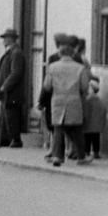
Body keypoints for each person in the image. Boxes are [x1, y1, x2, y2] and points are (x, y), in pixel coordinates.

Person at [38, 39, 89, 167]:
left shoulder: (52, 67)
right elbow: (84, 87)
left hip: (58, 101)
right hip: (74, 101)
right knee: (77, 130)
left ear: (60, 54)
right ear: (73, 54)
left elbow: (47, 86)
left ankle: (57, 156)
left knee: (58, 129)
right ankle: (81, 157)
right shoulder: (80, 68)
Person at [0, 28, 27, 147]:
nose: (4, 40)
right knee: (4, 116)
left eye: (5, 38)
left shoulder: (16, 53)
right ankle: (4, 139)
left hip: (13, 91)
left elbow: (16, 73)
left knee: (12, 116)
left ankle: (15, 139)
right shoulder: (11, 52)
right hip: (7, 91)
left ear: (11, 39)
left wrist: (4, 86)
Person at [83, 75, 105, 161]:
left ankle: (87, 152)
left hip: (88, 124)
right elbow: (103, 111)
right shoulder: (99, 100)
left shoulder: (88, 100)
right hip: (96, 125)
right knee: (96, 139)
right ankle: (96, 152)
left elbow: (86, 111)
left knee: (87, 139)